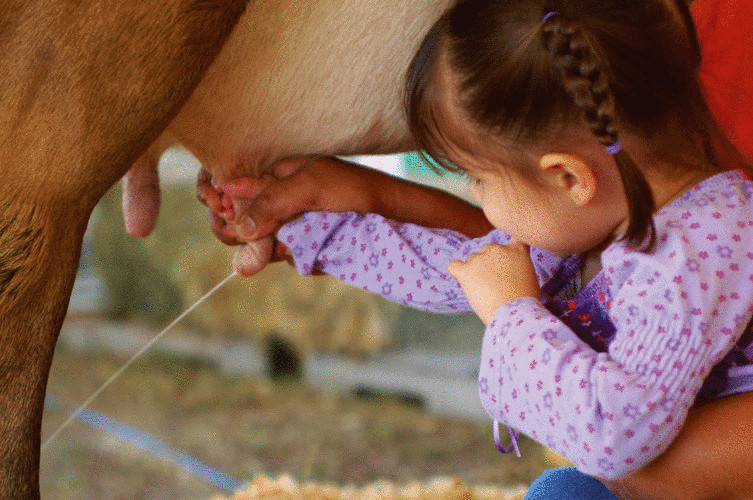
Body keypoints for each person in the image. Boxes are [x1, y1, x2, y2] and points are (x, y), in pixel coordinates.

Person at [198, 0, 753, 497]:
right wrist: (306, 227)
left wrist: (513, 315)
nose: (472, 194)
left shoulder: (698, 253)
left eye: (477, 178)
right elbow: (451, 270)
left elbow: (614, 433)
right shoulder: (609, 214)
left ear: (566, 178)